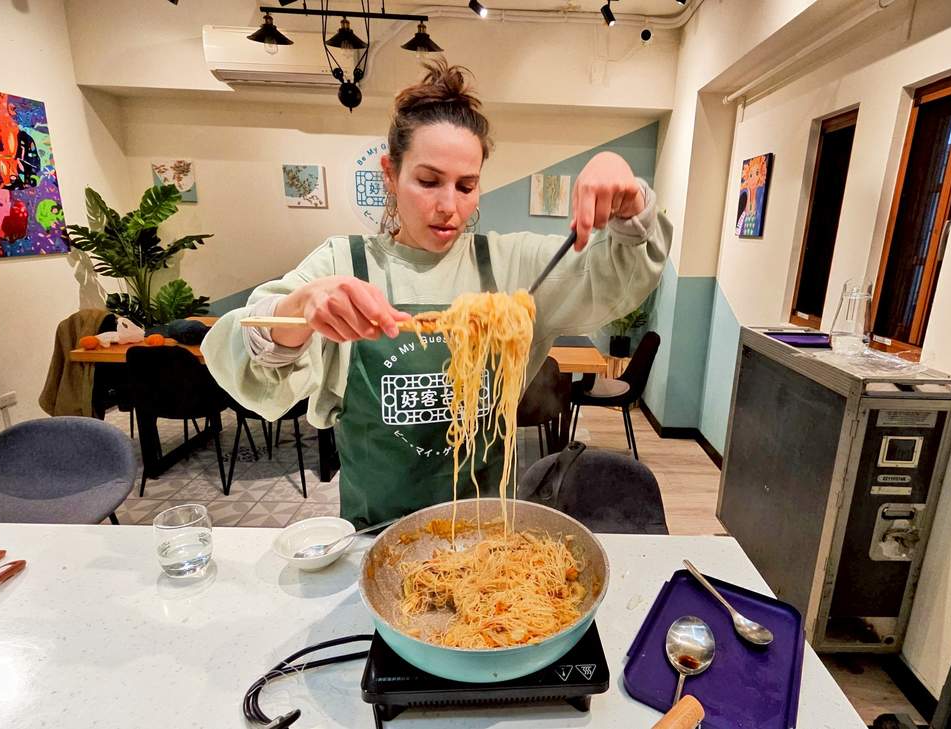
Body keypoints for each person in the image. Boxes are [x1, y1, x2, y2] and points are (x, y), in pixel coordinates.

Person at [205, 61, 669, 527]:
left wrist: (630, 203)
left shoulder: (510, 267)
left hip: (486, 532)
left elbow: (613, 279)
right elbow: (244, 354)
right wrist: (298, 309)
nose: (450, 207)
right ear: (390, 173)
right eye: (428, 181)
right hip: (377, 533)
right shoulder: (344, 264)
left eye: (466, 186)